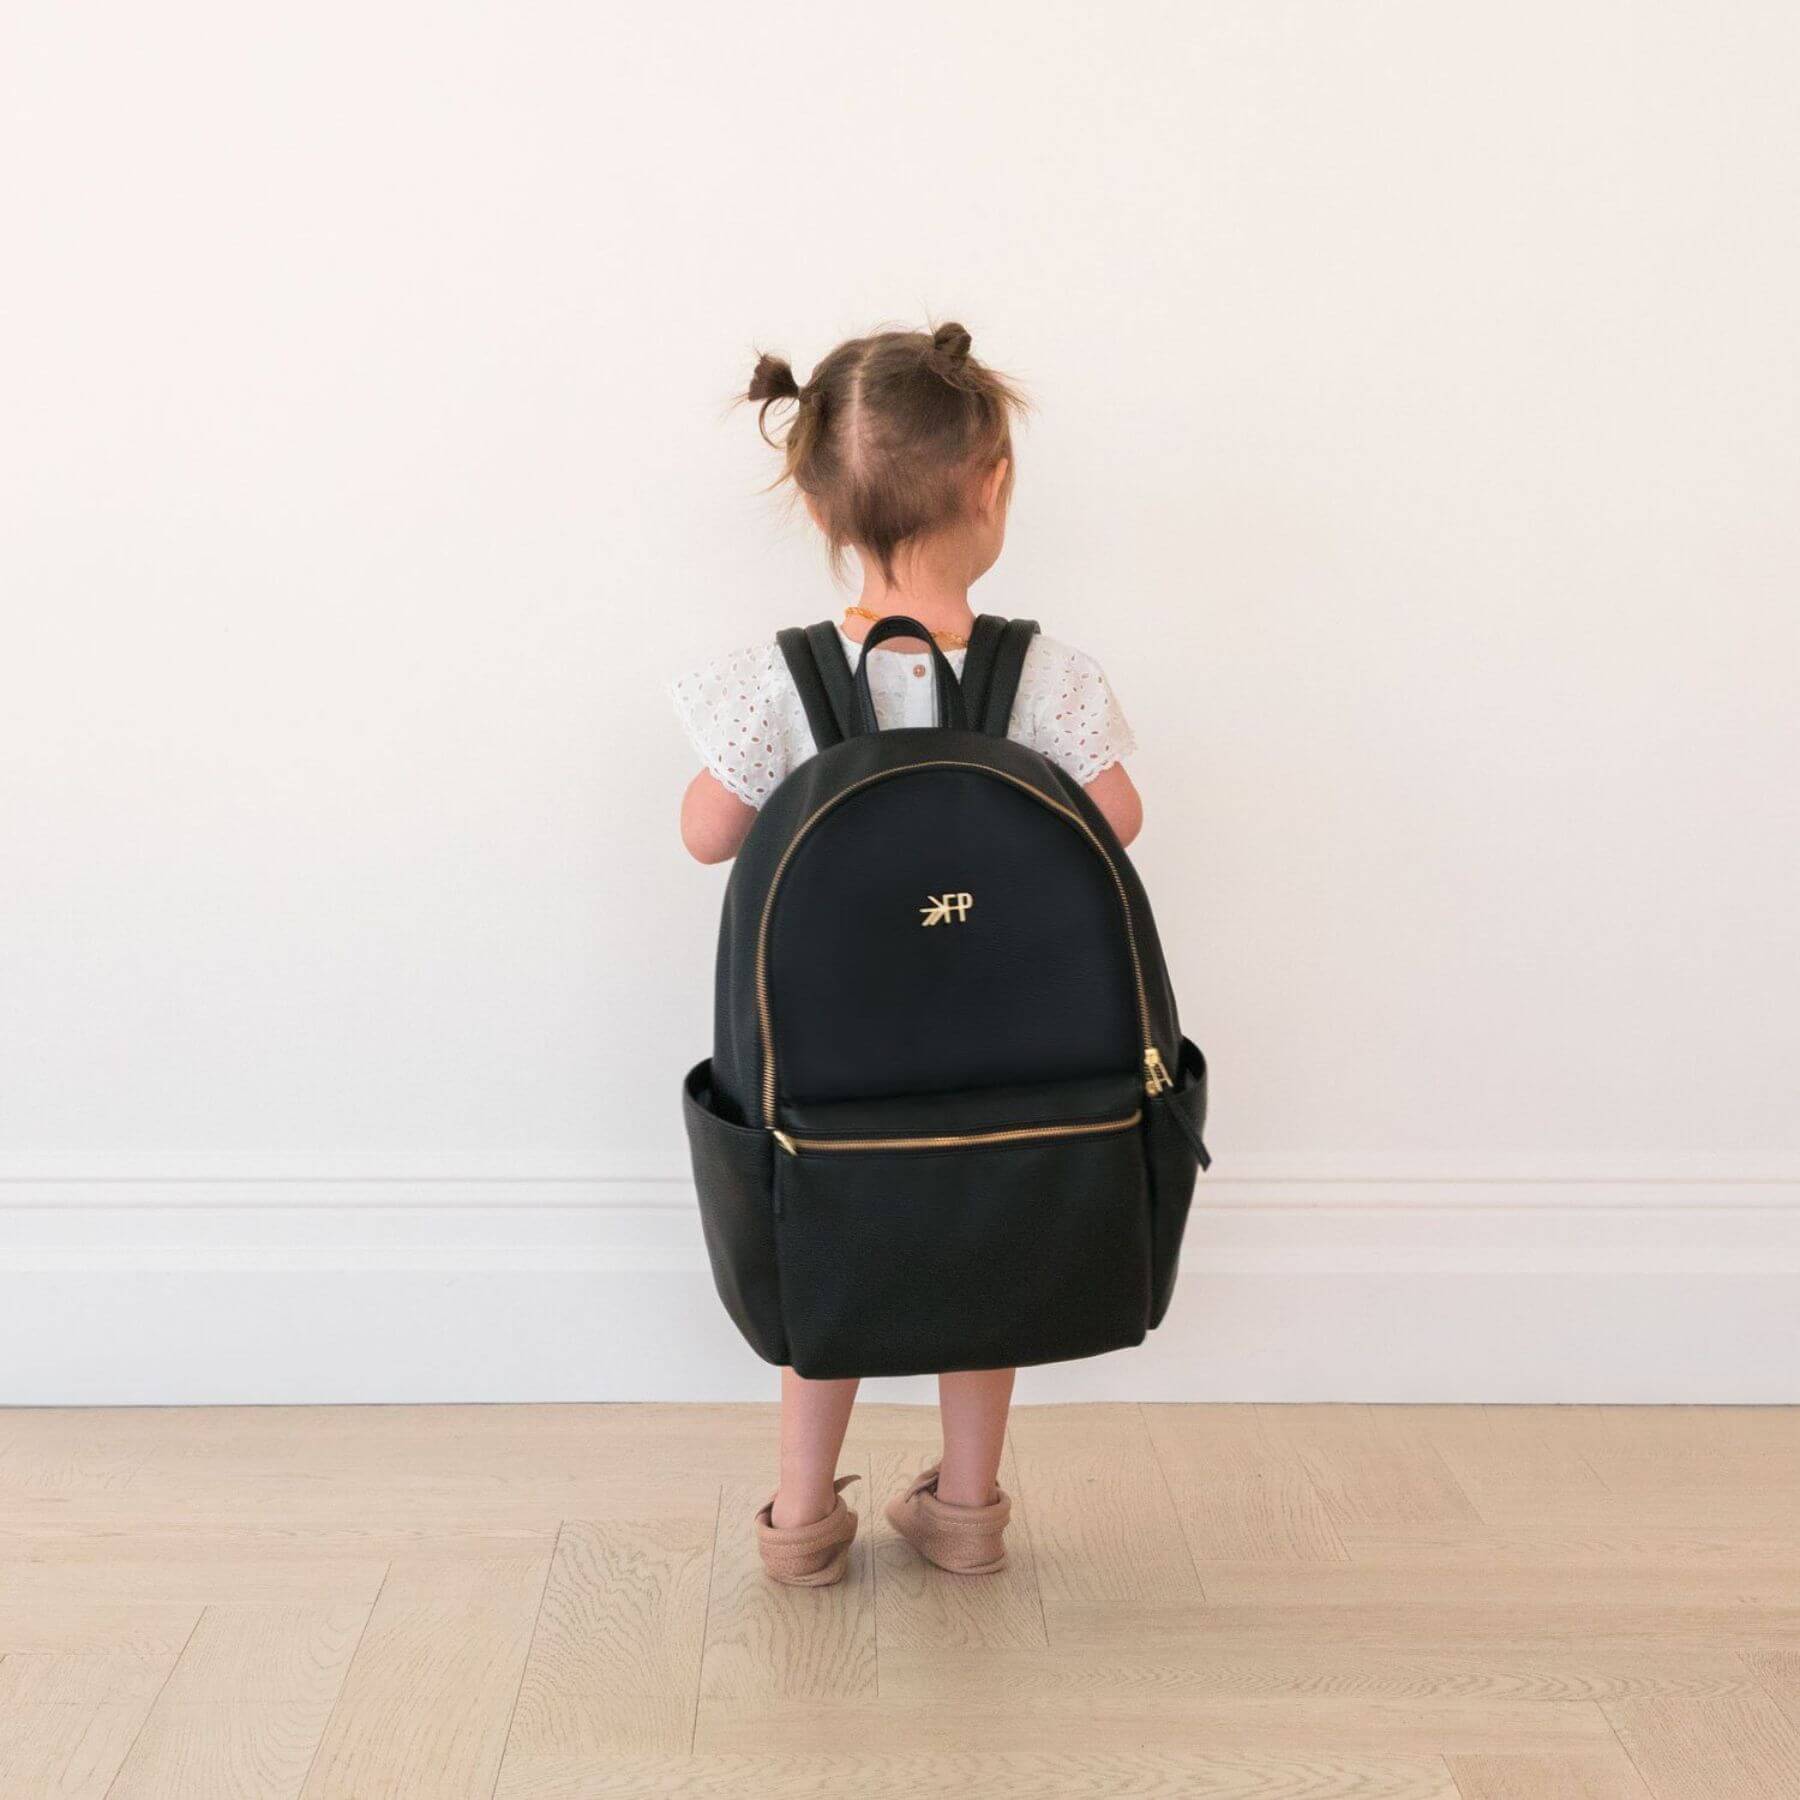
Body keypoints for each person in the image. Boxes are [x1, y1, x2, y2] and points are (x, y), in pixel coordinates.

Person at [671, 322, 1141, 1585]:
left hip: (828, 1064)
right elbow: (1120, 824)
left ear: (819, 500)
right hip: (1006, 1051)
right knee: (979, 1248)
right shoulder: (1043, 676)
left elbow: (704, 834)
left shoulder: (782, 684)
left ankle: (802, 1523)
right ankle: (968, 1512)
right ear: (990, 484)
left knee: (827, 1259)